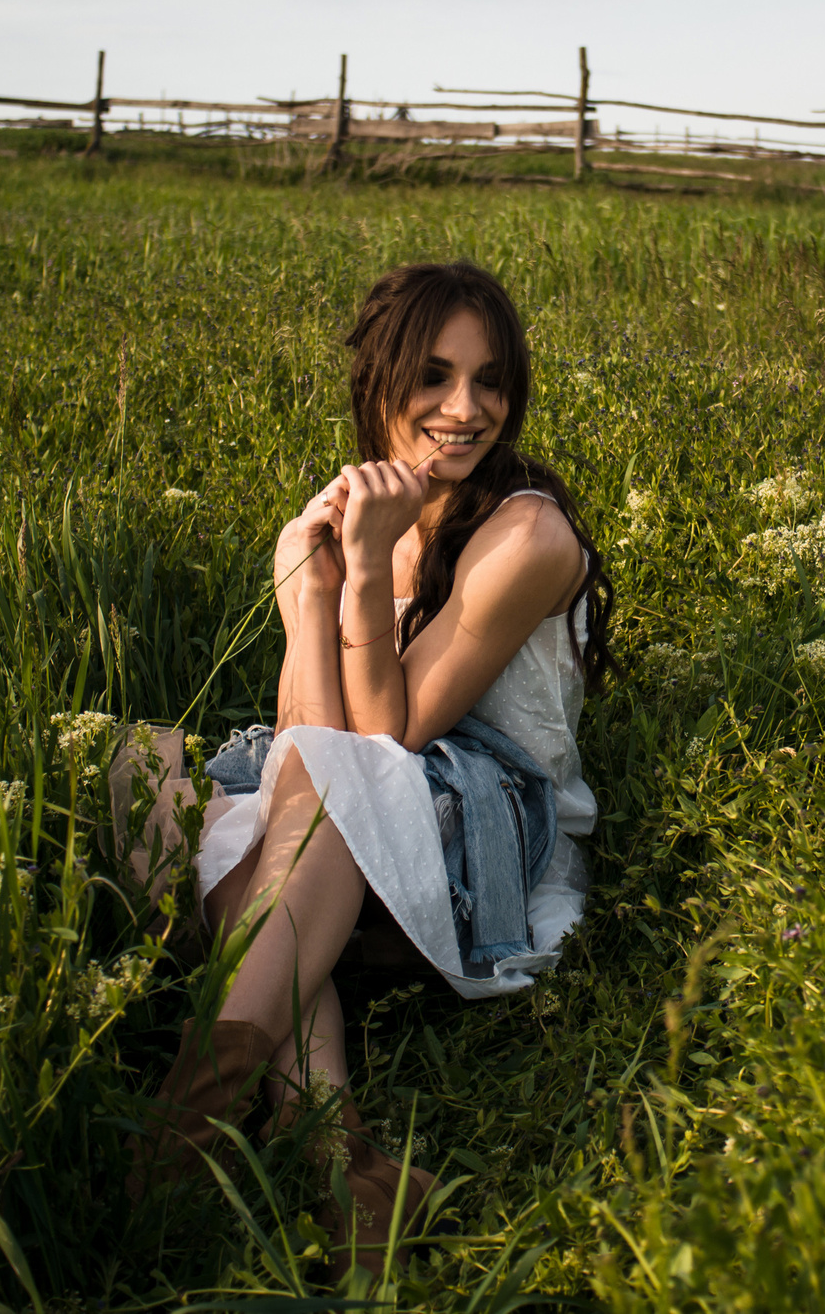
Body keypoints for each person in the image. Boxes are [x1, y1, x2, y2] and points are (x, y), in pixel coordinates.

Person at [132, 259, 610, 1272]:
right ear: (379, 384)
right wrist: (301, 591)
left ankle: (186, 1116)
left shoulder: (525, 532)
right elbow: (311, 728)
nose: (464, 408)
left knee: (298, 803)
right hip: (350, 825)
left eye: (490, 380)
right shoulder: (378, 507)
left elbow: (384, 738)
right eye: (433, 377)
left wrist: (356, 572)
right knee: (139, 762)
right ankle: (339, 1156)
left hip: (480, 830)